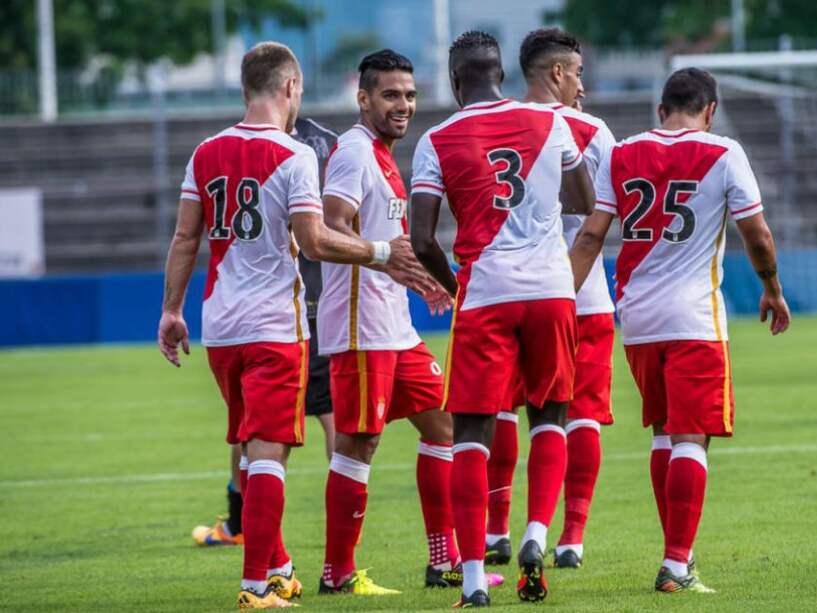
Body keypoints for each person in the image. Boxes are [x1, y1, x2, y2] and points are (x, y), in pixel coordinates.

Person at [157, 41, 419, 609]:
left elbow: (184, 237)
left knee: (252, 450)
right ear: (290, 88)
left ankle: (278, 566)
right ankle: (257, 586)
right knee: (270, 453)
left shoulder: (205, 151)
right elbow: (314, 240)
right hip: (275, 325)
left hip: (220, 325)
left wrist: (172, 310)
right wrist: (381, 252)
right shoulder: (295, 155)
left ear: (245, 88)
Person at [570, 67, 791, 593]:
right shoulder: (723, 152)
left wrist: (563, 301)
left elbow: (591, 236)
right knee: (692, 436)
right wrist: (772, 288)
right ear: (710, 110)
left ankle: (679, 555)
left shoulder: (622, 153)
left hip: (637, 317)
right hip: (694, 317)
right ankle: (675, 564)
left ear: (660, 108)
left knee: (664, 433)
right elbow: (757, 234)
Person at [410, 30, 595, 607]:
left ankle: (472, 581)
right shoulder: (550, 121)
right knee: (551, 414)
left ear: (454, 81)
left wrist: (455, 286)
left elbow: (421, 240)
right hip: (551, 289)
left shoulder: (436, 139)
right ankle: (537, 534)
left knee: (471, 433)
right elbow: (584, 199)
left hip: (486, 291)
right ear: (502, 75)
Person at [315, 49, 499, 597]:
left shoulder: (386, 156)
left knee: (444, 426)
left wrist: (421, 278)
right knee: (358, 443)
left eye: (411, 95)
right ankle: (337, 573)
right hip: (360, 326)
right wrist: (381, 257)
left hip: (394, 325)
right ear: (363, 98)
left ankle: (444, 560)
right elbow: (329, 227)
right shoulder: (353, 152)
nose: (404, 105)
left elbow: (390, 244)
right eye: (391, 95)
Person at [190, 117, 339, 549]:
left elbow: (188, 235)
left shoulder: (236, 146)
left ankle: (241, 524)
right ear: (291, 87)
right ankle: (341, 532)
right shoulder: (327, 143)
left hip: (269, 303)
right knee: (330, 410)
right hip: (315, 295)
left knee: (252, 426)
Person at [516, 27, 617, 570]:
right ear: (558, 73)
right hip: (585, 293)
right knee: (583, 414)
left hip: (516, 292)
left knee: (506, 410)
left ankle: (497, 530)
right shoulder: (595, 131)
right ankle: (572, 537)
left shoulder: (501, 123)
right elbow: (609, 212)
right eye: (577, 73)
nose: (582, 84)